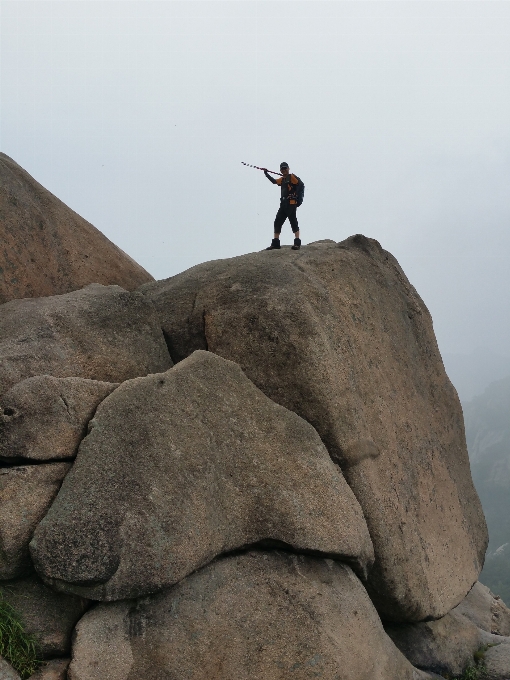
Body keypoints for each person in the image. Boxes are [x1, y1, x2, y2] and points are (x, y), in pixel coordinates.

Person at [263, 162, 302, 250]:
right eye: (282, 169)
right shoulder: (282, 179)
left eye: (285, 168)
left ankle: (297, 242)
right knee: (277, 221)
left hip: (291, 203)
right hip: (284, 204)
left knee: (293, 222)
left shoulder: (292, 177)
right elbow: (274, 181)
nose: (283, 170)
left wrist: (295, 195)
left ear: (288, 168)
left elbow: (300, 184)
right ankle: (276, 243)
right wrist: (266, 173)